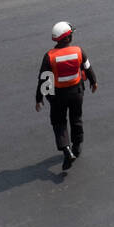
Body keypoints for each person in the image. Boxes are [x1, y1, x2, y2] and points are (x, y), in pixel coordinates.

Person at [35, 22, 98, 172]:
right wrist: (94, 82)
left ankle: (67, 150)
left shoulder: (49, 56)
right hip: (76, 93)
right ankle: (77, 147)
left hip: (58, 96)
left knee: (59, 122)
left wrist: (39, 98)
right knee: (76, 118)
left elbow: (44, 79)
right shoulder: (78, 51)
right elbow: (88, 68)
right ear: (68, 37)